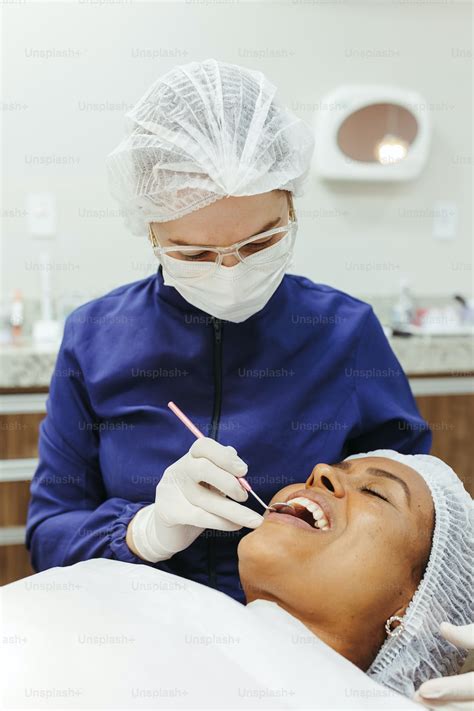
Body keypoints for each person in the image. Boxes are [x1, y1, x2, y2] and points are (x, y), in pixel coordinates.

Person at [26, 58, 431, 603]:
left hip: (301, 639)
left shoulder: (344, 332)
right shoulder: (96, 337)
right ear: (149, 230)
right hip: (136, 639)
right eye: (194, 252)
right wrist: (142, 532)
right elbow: (49, 534)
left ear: (290, 204)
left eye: (261, 242)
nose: (231, 272)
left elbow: (415, 529)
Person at [8, 451, 471, 709]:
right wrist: (142, 534)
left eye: (375, 492)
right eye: (336, 466)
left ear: (418, 611)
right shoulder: (112, 584)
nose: (320, 471)